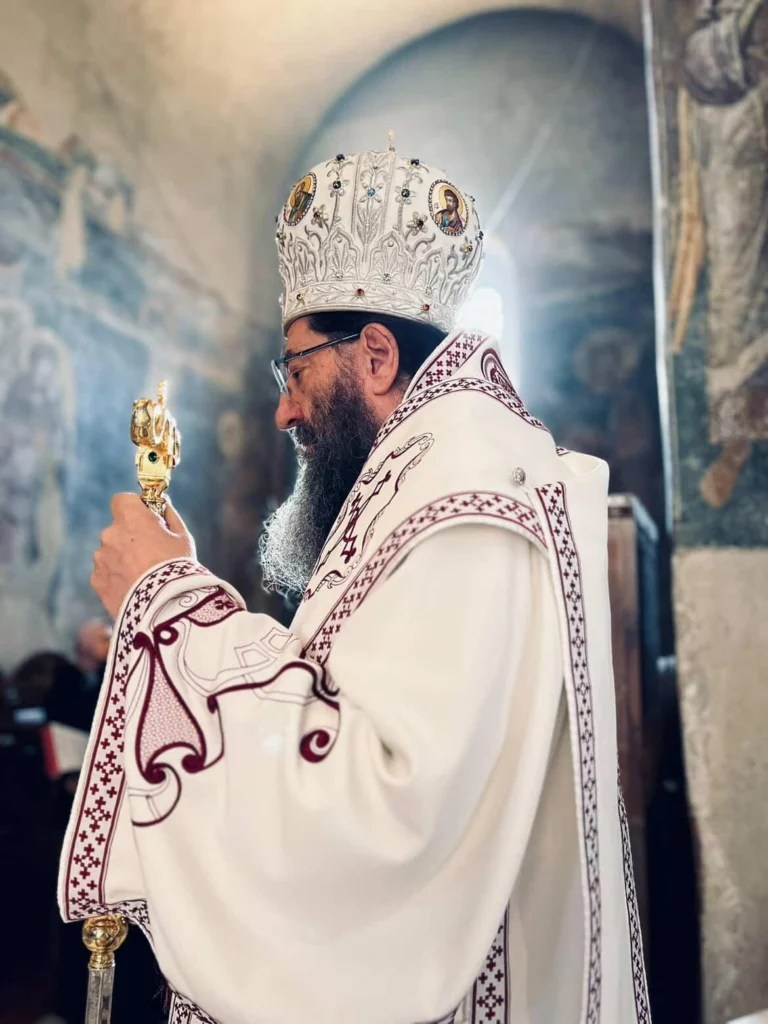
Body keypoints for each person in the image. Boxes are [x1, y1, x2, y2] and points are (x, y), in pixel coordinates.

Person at [59, 149, 649, 1024]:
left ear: (375, 355)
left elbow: (379, 805)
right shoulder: (424, 474)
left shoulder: (462, 492)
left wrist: (169, 599)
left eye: (294, 371)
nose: (283, 410)